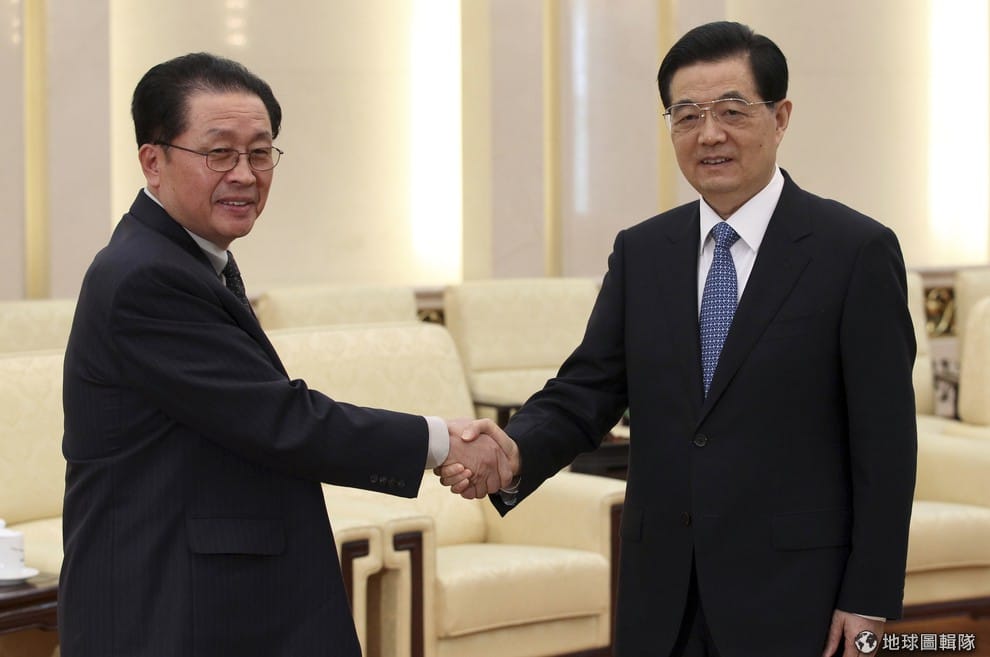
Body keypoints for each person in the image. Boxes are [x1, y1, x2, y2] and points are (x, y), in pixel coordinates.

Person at [439, 21, 917, 657]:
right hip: (661, 593)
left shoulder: (854, 251)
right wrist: (513, 452)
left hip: (795, 594)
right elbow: (587, 390)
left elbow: (886, 444)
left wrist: (869, 598)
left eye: (731, 111)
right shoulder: (644, 252)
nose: (708, 133)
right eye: (686, 115)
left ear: (781, 117)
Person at [60, 52, 510, 657]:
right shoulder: (145, 277)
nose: (245, 174)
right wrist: (440, 442)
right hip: (170, 608)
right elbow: (279, 419)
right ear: (153, 161)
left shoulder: (182, 259)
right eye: (220, 153)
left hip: (212, 599)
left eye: (260, 152)